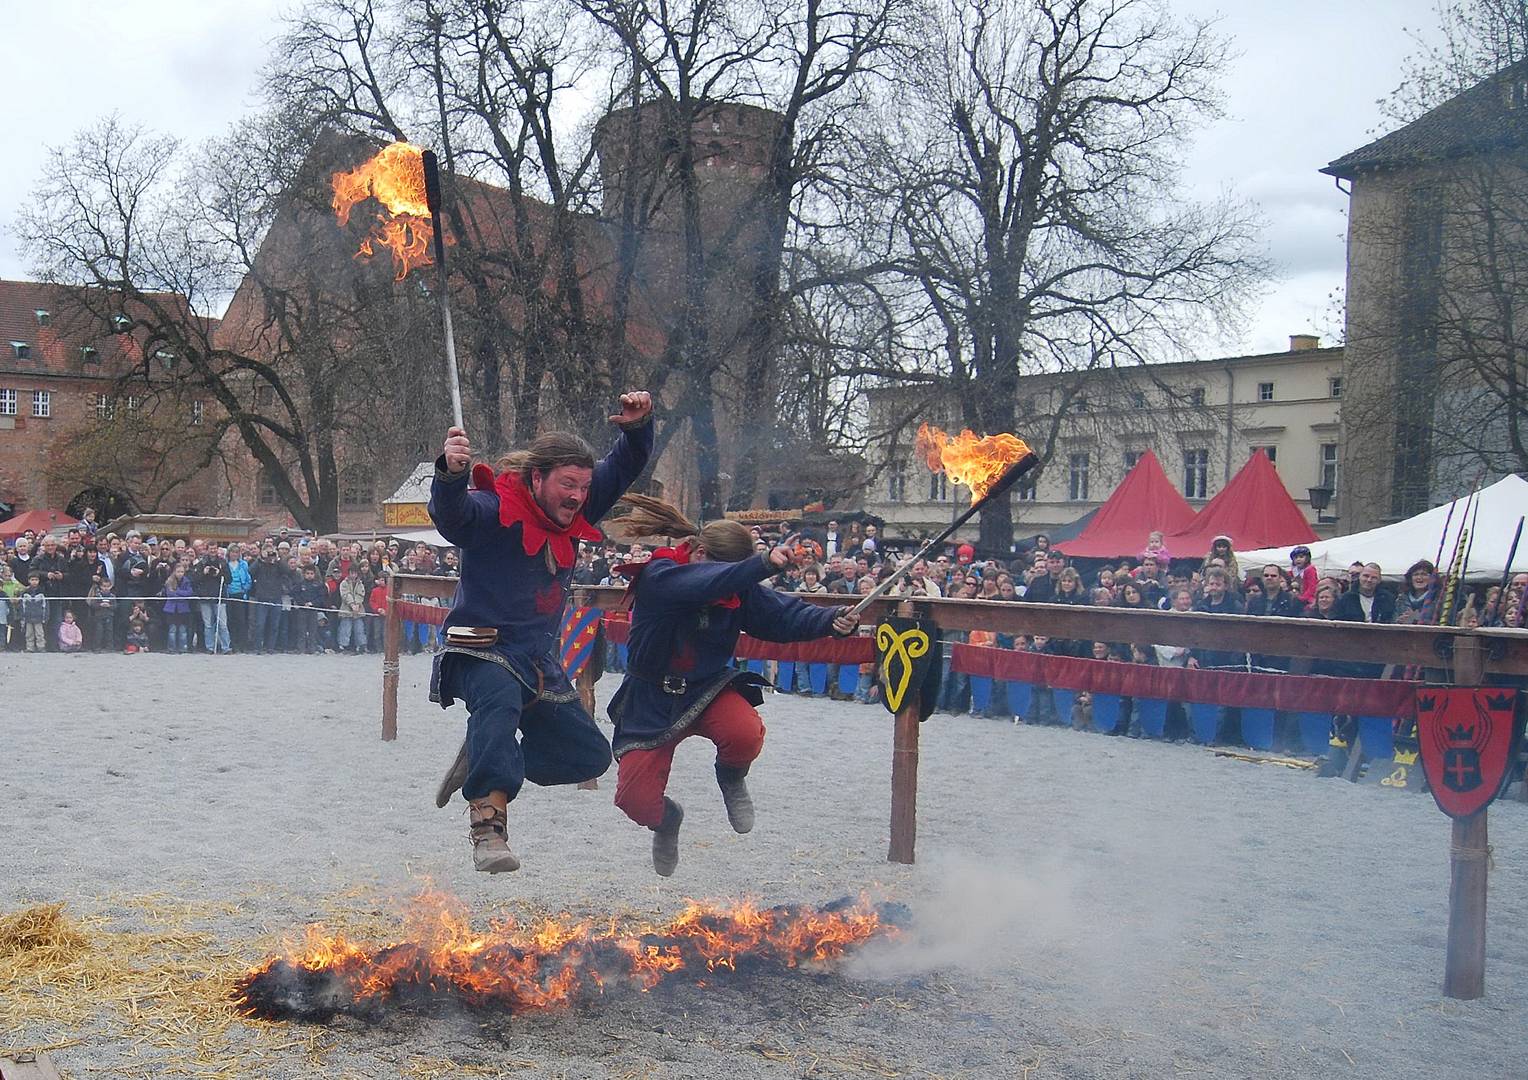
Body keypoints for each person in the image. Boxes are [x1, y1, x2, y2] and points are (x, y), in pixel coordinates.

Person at [429, 391, 655, 874]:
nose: (576, 496)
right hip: (479, 652)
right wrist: (450, 476)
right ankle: (488, 828)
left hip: (535, 664)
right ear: (537, 478)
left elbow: (626, 464)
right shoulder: (495, 509)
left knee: (589, 757)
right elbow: (453, 520)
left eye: (583, 487)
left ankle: (488, 755)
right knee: (498, 699)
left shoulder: (578, 510)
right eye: (567, 484)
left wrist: (637, 428)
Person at [603, 495, 858, 876]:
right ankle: (667, 821)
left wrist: (829, 620)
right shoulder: (661, 577)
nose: (732, 581)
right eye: (731, 571)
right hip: (651, 696)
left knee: (745, 733)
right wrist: (758, 565)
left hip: (706, 688)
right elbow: (707, 582)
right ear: (699, 553)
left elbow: (781, 615)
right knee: (635, 802)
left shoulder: (736, 586)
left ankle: (731, 778)